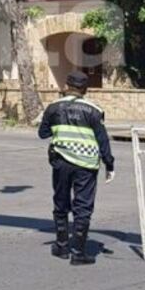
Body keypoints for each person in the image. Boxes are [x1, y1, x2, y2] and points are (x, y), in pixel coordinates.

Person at [37, 70, 115, 265]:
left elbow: (43, 133)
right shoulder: (94, 110)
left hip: (61, 162)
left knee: (60, 202)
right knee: (83, 206)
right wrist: (109, 163)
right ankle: (78, 252)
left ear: (66, 86)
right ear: (85, 89)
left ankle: (62, 246)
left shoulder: (53, 107)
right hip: (86, 164)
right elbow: (102, 139)